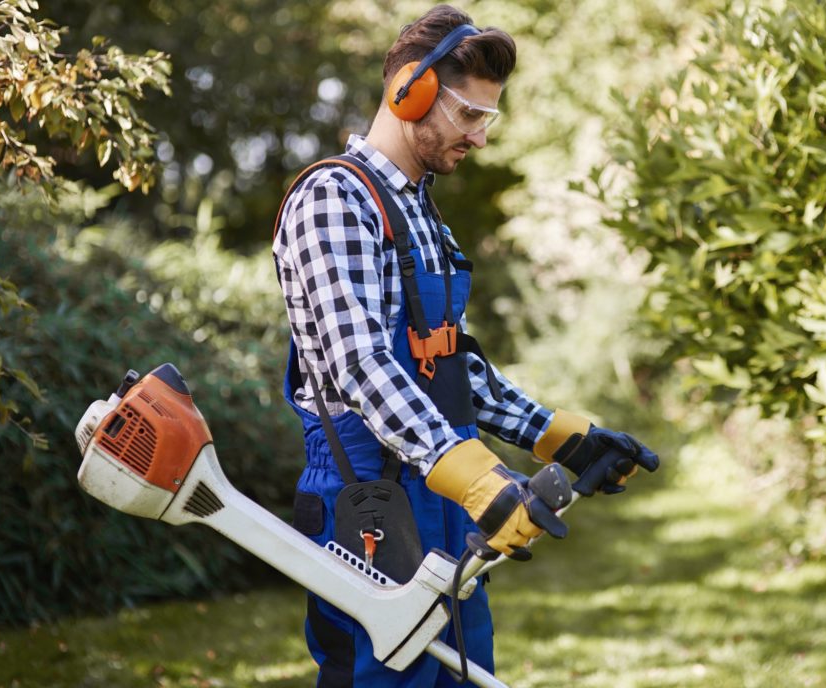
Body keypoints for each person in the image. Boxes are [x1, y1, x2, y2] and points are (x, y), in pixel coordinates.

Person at [272, 5, 659, 686]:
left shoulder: (422, 214)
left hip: (444, 491)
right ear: (408, 91)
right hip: (369, 499)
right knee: (384, 675)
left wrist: (563, 438)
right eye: (469, 115)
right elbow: (362, 363)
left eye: (489, 119)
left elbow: (448, 365)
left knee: (461, 674)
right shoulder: (336, 198)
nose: (480, 137)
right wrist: (478, 477)